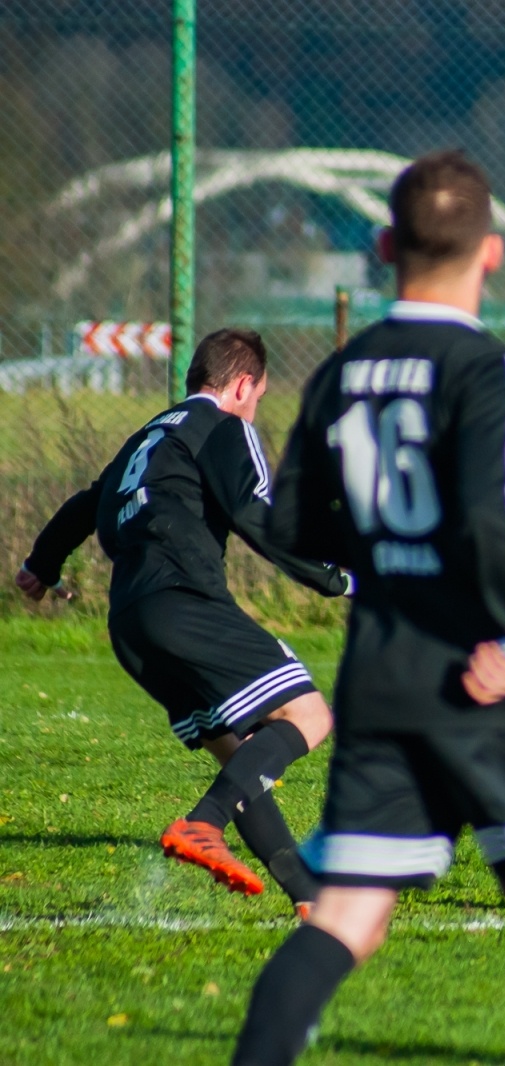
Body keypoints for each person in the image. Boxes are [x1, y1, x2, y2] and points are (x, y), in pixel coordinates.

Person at [230, 150, 505, 1066]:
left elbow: (285, 519)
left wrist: (383, 559)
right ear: (491, 254)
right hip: (482, 681)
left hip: (380, 678)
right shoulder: (490, 368)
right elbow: (492, 512)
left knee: (349, 918)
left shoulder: (340, 371)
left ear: (384, 244)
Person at [16, 328, 349, 913]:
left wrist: (40, 566)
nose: (255, 407)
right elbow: (257, 514)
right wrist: (338, 576)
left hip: (130, 621)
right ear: (243, 385)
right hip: (182, 600)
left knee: (238, 752)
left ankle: (307, 897)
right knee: (309, 714)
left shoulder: (147, 435)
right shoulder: (226, 427)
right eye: (260, 396)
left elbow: (85, 505)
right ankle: (204, 823)